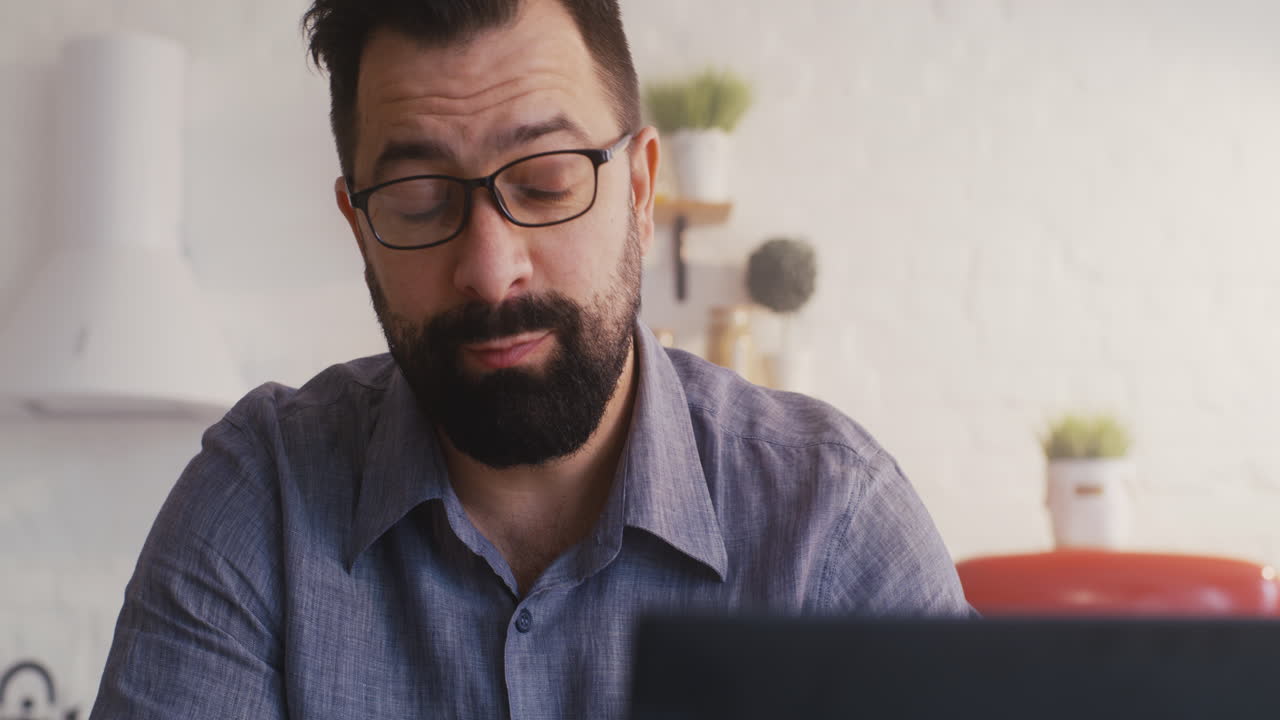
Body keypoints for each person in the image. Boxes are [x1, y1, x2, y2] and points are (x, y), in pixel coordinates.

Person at [89, 0, 973, 717]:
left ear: (639, 187)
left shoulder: (833, 522)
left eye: (546, 181)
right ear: (358, 226)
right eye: (420, 199)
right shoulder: (261, 500)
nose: (489, 266)